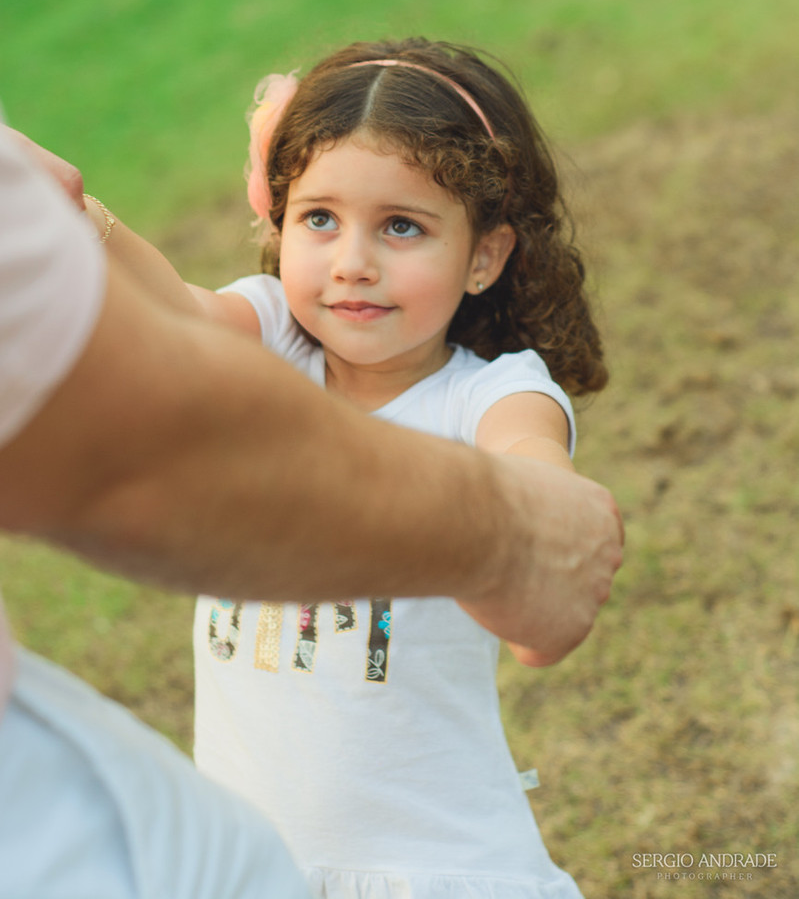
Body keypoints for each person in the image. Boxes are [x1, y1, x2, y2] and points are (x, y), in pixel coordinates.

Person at [0, 104, 621, 897]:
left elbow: (533, 472)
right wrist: (59, 200)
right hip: (251, 852)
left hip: (433, 863)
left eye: (400, 227)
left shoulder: (492, 395)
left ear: (483, 255)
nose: (351, 263)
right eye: (319, 219)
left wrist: (542, 504)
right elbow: (164, 311)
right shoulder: (270, 331)